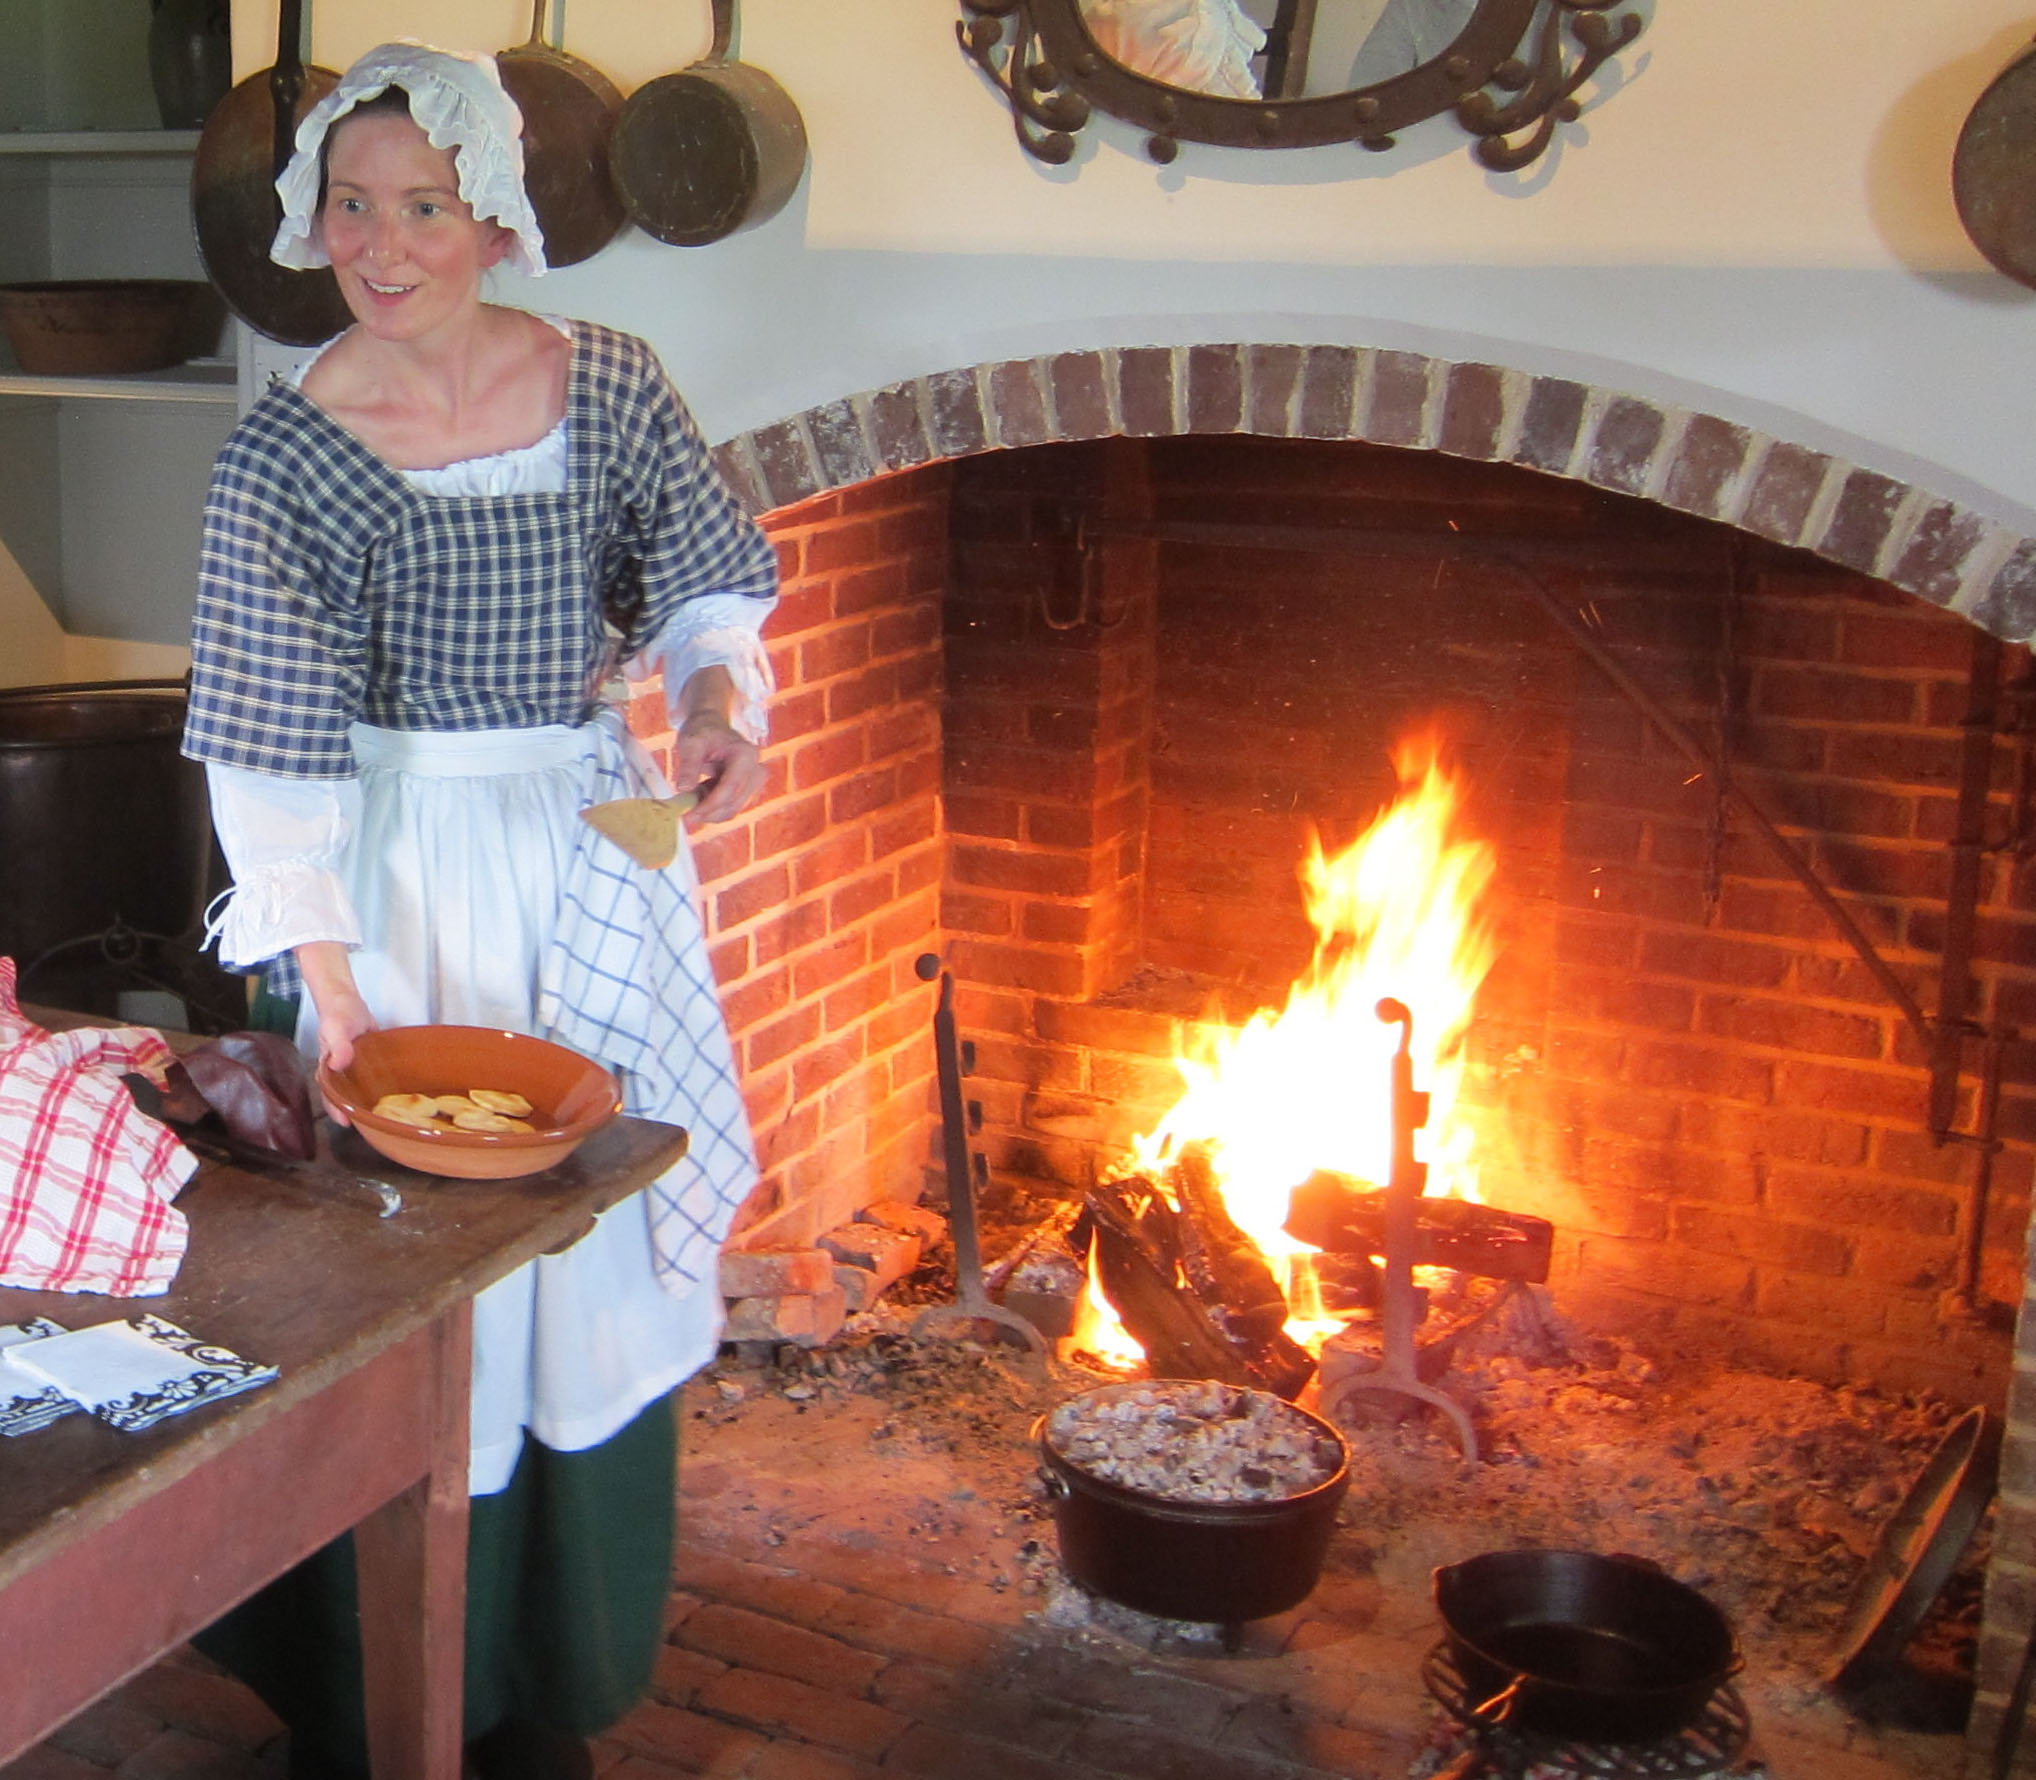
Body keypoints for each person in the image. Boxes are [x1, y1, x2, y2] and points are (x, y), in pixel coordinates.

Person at [178, 41, 779, 1780]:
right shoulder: (286, 456)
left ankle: (542, 1677)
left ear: (497, 217)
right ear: (312, 221)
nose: (382, 246)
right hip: (390, 879)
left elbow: (706, 587)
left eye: (424, 207)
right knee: (402, 1267)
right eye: (351, 206)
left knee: (574, 1259)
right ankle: (375, 1692)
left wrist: (717, 706)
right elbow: (269, 757)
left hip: (582, 848)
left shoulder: (612, 386)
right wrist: (332, 988)